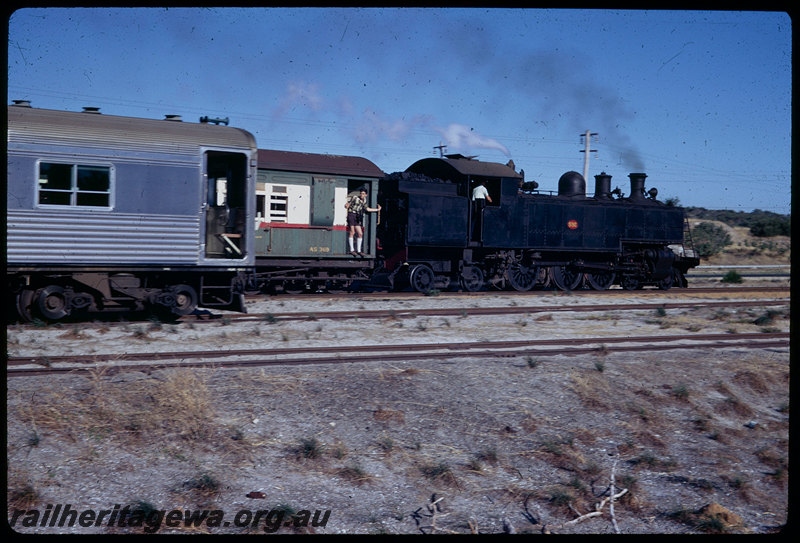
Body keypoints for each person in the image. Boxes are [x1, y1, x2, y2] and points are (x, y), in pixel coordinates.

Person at [344, 188, 381, 256]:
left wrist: (377, 209)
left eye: (363, 194)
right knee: (352, 232)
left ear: (366, 195)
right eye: (361, 193)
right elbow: (348, 204)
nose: (361, 195)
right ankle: (351, 250)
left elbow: (367, 209)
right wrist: (346, 205)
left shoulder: (364, 201)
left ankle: (359, 250)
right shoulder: (355, 198)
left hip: (357, 216)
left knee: (360, 233)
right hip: (351, 214)